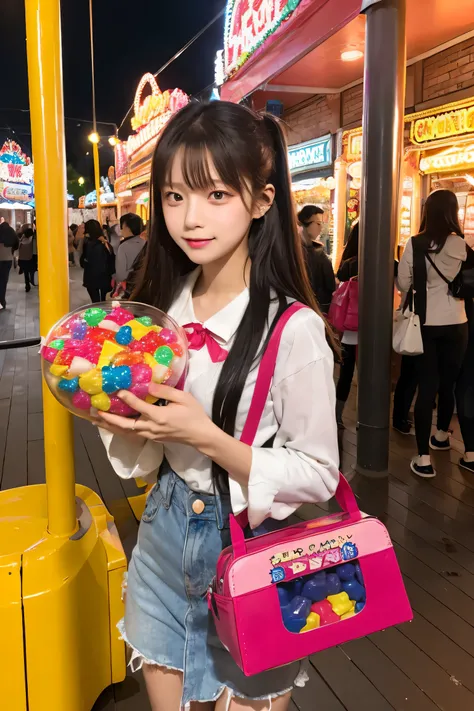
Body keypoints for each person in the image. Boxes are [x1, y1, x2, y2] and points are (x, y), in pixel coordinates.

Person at [96, 101, 339, 711]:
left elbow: (319, 474)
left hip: (254, 549)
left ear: (260, 201)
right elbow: (148, 458)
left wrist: (207, 436)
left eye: (216, 195)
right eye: (174, 197)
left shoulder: (295, 330)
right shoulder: (157, 315)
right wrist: (125, 422)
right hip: (162, 536)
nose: (190, 219)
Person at [398, 189, 470, 478]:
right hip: (458, 324)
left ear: (427, 210)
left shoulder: (414, 244)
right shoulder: (461, 244)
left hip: (425, 325)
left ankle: (424, 459)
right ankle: (441, 436)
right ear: (453, 212)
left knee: (426, 387)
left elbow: (403, 283)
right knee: (449, 382)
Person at [335, 222, 359, 427]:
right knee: (372, 374)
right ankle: (367, 416)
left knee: (346, 372)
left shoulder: (348, 264)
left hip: (350, 329)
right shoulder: (387, 262)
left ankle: (337, 414)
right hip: (375, 330)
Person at [298, 205, 335, 314]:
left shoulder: (314, 249)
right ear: (305, 223)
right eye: (318, 223)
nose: (321, 228)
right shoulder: (305, 251)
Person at [80, 219, 115, 303]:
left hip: (91, 278)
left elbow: (83, 261)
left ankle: (97, 315)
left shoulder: (87, 243)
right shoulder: (105, 242)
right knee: (104, 301)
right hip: (105, 277)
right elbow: (112, 258)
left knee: (95, 302)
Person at [115, 213, 145, 284]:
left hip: (130, 287)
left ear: (127, 228)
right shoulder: (146, 242)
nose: (121, 229)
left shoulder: (124, 247)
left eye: (122, 226)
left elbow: (121, 275)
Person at [0, 222, 18, 309]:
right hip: (7, 259)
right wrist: (12, 250)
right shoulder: (11, 231)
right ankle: (2, 301)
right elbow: (17, 243)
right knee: (3, 280)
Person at [18, 227, 36, 291]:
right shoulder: (32, 240)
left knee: (26, 273)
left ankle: (27, 285)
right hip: (30, 258)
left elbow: (19, 247)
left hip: (22, 259)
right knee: (31, 271)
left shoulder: (22, 240)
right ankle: (33, 281)